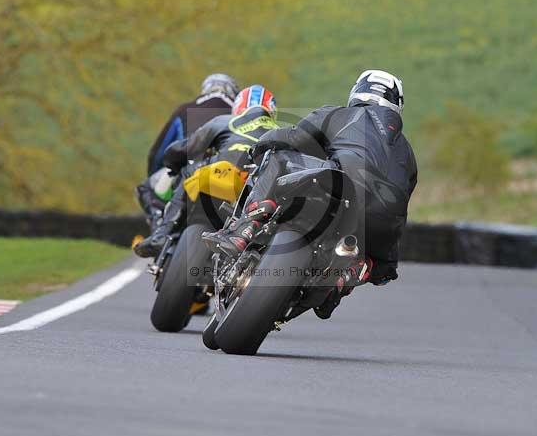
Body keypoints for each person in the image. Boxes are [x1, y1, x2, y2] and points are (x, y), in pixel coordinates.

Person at [202, 70, 418, 318]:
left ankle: (245, 229)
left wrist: (260, 145)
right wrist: (386, 264)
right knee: (372, 259)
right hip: (383, 220)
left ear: (358, 90)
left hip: (341, 185)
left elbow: (294, 136)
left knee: (279, 155)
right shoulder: (408, 153)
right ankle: (343, 281)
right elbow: (402, 204)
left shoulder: (339, 114)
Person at [134, 85, 279, 257]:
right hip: (257, 191)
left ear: (238, 106)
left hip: (223, 175)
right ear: (272, 109)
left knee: (189, 170)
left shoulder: (225, 121)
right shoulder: (279, 131)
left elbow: (185, 148)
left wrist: (173, 162)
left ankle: (162, 234)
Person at [136, 74, 238, 222]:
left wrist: (157, 174)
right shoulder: (239, 112)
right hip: (230, 176)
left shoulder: (184, 110)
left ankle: (159, 231)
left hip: (187, 174)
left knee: (146, 189)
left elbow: (157, 155)